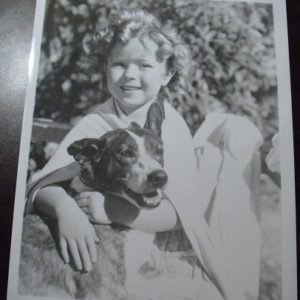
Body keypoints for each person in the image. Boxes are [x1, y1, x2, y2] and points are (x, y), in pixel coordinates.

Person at [25, 10, 250, 300]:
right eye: (119, 64)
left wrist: (110, 210)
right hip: (103, 250)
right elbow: (43, 185)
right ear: (104, 69)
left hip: (161, 245)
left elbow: (181, 212)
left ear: (167, 73)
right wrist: (65, 209)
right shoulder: (97, 121)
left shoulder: (170, 125)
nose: (130, 75)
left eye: (144, 64)